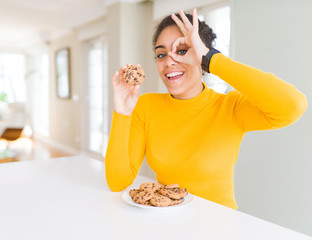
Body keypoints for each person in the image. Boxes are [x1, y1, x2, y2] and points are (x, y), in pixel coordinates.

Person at [105, 9, 308, 209]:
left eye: (182, 51)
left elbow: (292, 105)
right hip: (168, 224)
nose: (169, 61)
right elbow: (118, 181)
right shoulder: (146, 106)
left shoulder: (230, 108)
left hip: (218, 227)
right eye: (161, 54)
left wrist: (211, 59)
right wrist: (122, 113)